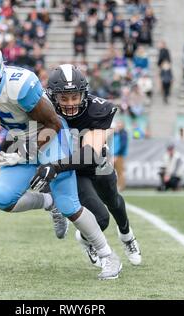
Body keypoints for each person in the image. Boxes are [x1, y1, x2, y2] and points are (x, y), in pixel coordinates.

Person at [0, 41, 122, 280]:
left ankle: (108, 256)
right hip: (19, 139)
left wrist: (25, 151)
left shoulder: (19, 85)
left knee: (69, 206)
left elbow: (52, 123)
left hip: (49, 136)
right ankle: (47, 202)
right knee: (4, 200)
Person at [30, 64, 141, 268]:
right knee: (101, 219)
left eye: (75, 96)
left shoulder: (98, 108)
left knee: (114, 201)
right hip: (72, 170)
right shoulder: (43, 108)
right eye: (64, 98)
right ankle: (86, 239)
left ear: (84, 94)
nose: (70, 103)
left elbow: (90, 155)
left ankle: (127, 236)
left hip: (95, 164)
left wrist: (54, 167)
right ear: (53, 96)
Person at [111, 120, 128, 192]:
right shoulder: (116, 133)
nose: (118, 125)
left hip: (118, 155)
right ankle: (114, 186)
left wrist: (116, 155)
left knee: (120, 171)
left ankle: (121, 186)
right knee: (112, 172)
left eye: (119, 124)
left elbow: (122, 145)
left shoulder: (123, 133)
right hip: (113, 155)